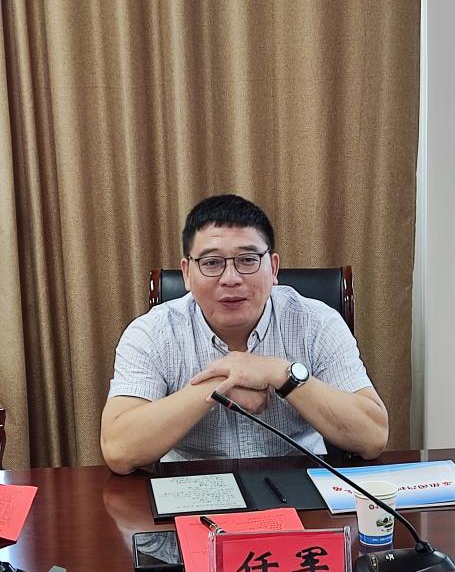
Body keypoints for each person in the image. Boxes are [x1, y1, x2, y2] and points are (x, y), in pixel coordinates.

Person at [101, 194, 388, 474]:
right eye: (211, 263)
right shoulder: (152, 332)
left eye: (248, 260)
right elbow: (119, 450)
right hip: (192, 484)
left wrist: (280, 373)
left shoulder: (317, 322)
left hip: (299, 481)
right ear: (187, 273)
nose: (231, 278)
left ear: (273, 268)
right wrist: (220, 384)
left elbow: (373, 436)